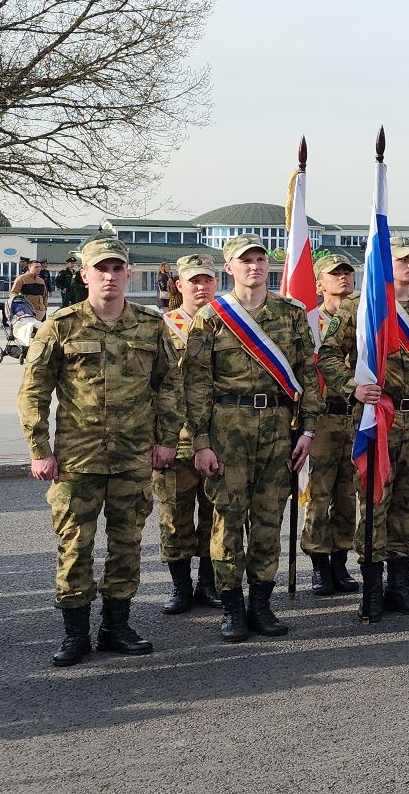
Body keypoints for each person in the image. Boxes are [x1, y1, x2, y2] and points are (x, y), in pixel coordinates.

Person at [19, 236, 180, 667]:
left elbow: (169, 386)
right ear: (85, 275)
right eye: (100, 269)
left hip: (132, 457)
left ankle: (116, 626)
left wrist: (166, 440)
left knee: (126, 543)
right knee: (75, 546)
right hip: (77, 458)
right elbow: (34, 391)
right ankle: (75, 633)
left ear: (128, 274)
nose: (109, 276)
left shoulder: (151, 325)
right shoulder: (62, 325)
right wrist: (40, 449)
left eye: (116, 269)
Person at [183, 235, 321, 642]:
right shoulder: (211, 317)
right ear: (230, 268)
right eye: (245, 261)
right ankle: (231, 606)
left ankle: (262, 602)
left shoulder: (292, 313)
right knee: (227, 518)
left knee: (267, 519)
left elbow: (308, 374)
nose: (255, 267)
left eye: (261, 260)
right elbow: (195, 384)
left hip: (279, 426)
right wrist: (201, 442)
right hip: (228, 424)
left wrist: (308, 429)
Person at [318, 242, 409, 621]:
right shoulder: (360, 306)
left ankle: (400, 584)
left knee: (406, 502)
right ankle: (373, 588)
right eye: (402, 260)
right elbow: (328, 354)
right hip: (378, 415)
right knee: (375, 501)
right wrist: (353, 387)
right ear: (383, 264)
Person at [152, 254, 222, 615]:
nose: (201, 286)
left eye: (207, 280)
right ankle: (180, 587)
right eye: (193, 280)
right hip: (175, 438)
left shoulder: (228, 324)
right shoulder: (161, 326)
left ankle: (207, 585)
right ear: (178, 285)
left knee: (215, 515)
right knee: (175, 517)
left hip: (216, 437)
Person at [302, 252, 360, 596]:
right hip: (323, 416)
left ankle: (340, 562)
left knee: (348, 493)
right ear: (319, 283)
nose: (342, 278)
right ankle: (319, 565)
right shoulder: (310, 323)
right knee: (319, 493)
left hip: (355, 413)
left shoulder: (365, 318)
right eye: (333, 274)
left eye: (347, 273)